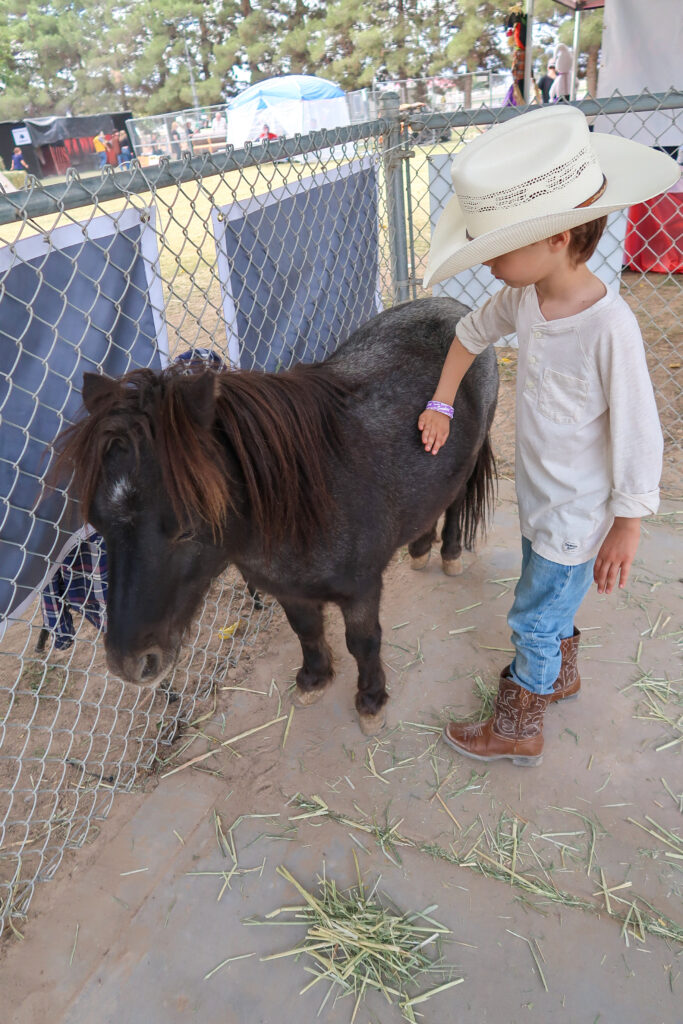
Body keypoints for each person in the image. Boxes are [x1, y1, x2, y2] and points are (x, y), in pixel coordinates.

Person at [419, 105, 680, 767]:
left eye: (500, 244)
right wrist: (440, 403)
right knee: (550, 603)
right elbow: (467, 335)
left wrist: (627, 521)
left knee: (531, 615)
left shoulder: (607, 327)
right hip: (541, 498)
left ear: (558, 237)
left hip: (578, 509)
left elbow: (638, 430)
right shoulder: (523, 298)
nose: (491, 262)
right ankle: (558, 675)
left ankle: (517, 725)